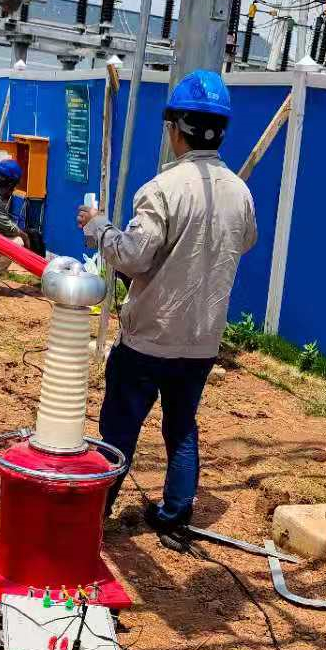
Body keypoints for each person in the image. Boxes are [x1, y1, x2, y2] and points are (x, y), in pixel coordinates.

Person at [77, 69, 257, 533]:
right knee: (181, 427)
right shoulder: (240, 191)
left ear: (175, 129)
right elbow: (245, 241)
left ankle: (93, 515)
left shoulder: (163, 189)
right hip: (201, 341)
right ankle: (175, 515)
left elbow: (133, 257)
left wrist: (98, 226)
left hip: (149, 338)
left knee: (120, 429)